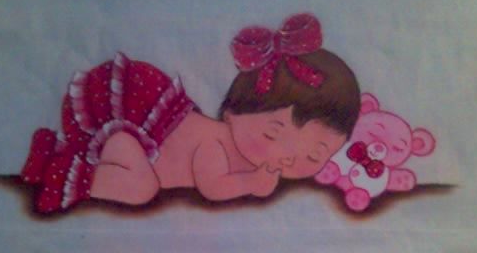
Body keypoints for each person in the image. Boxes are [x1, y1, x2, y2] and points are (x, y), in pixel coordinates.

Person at [20, 13, 360, 213]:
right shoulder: (215, 142)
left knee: (141, 184)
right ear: (231, 114)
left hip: (130, 144)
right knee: (140, 188)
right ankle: (66, 172)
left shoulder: (243, 151)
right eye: (272, 133)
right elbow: (211, 186)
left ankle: (62, 158)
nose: (286, 157)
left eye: (315, 155)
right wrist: (251, 182)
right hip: (124, 133)